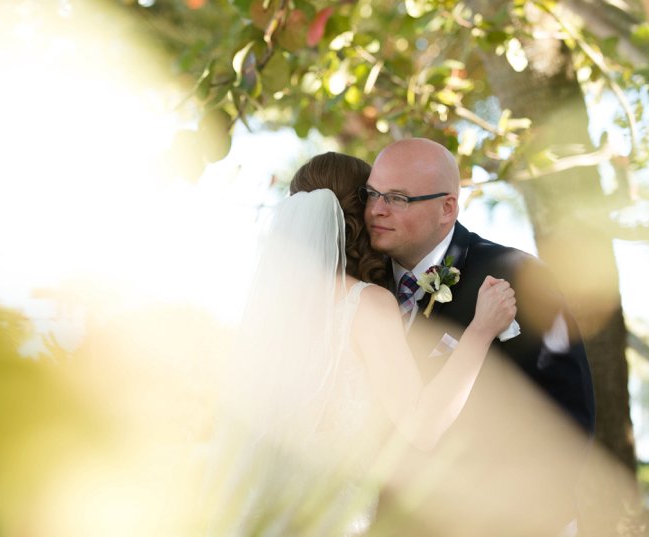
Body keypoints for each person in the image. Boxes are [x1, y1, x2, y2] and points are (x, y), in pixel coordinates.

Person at [199, 152, 518, 537]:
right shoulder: (365, 304)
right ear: (357, 211)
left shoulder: (275, 311)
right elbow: (422, 426)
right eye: (374, 196)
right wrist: (481, 330)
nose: (381, 209)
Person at [362, 138, 596, 536]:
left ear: (447, 207)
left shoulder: (516, 275)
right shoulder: (360, 287)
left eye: (398, 198)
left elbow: (566, 418)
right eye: (372, 194)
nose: (377, 210)